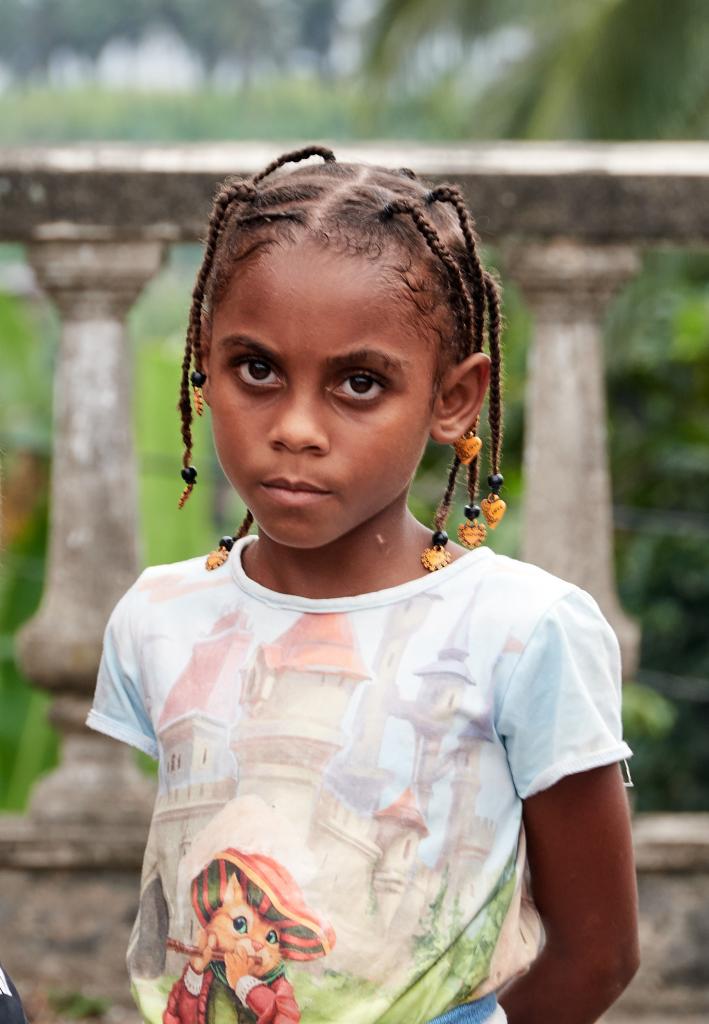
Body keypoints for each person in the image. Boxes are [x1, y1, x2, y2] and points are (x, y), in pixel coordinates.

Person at [86, 144, 640, 1024]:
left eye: (358, 383)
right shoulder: (160, 616)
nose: (296, 429)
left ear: (454, 399)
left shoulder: (524, 631)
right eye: (256, 369)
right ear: (204, 363)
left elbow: (597, 952)